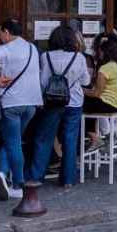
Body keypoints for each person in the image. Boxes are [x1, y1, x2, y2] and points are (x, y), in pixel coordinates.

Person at [0, 19, 42, 200]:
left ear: (7, 32)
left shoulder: (5, 48)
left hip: (12, 102)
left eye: (0, 32)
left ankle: (18, 184)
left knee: (13, 143)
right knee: (11, 141)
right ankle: (1, 172)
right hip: (32, 102)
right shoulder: (32, 48)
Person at [29, 26, 88, 188]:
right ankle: (68, 179)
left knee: (43, 138)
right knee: (70, 138)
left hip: (52, 101)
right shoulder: (79, 57)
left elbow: (42, 81)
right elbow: (85, 81)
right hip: (74, 101)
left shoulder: (46, 56)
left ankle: (36, 176)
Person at [83, 35, 117, 149]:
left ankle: (95, 137)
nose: (98, 53)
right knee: (88, 104)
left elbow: (96, 93)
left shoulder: (105, 68)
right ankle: (102, 133)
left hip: (106, 105)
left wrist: (80, 90)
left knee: (78, 106)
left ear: (104, 52)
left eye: (99, 51)